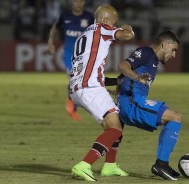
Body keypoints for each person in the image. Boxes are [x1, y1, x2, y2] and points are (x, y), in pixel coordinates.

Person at [68, 4, 135, 181]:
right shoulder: (101, 28)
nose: (115, 26)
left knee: (113, 123)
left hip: (78, 89)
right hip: (90, 89)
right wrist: (127, 27)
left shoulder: (83, 36)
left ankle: (110, 166)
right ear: (106, 20)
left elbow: (89, 71)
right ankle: (84, 165)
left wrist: (115, 82)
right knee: (115, 128)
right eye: (115, 23)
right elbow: (127, 35)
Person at [117, 30, 182, 180]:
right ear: (165, 44)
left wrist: (117, 92)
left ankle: (162, 164)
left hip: (129, 103)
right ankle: (161, 164)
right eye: (173, 50)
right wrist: (136, 77)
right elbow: (123, 66)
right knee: (175, 117)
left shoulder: (152, 61)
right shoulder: (146, 52)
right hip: (133, 103)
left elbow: (121, 79)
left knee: (173, 118)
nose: (174, 55)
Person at [47, 0, 94, 121]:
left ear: (84, 3)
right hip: (69, 53)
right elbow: (54, 28)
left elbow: (96, 33)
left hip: (84, 55)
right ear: (72, 2)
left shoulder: (89, 17)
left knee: (82, 82)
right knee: (74, 79)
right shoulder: (65, 16)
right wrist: (50, 42)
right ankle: (71, 106)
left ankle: (73, 105)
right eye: (76, 1)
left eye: (80, 1)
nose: (78, 3)